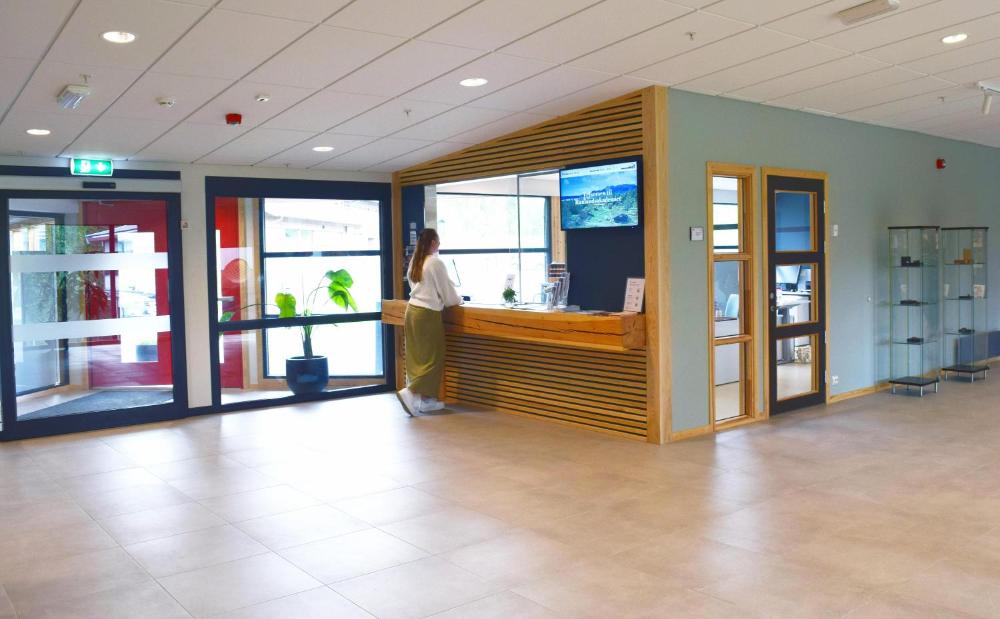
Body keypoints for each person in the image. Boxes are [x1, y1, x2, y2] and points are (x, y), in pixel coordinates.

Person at [397, 228, 461, 416]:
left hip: (412, 311)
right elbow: (448, 294)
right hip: (427, 314)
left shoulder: (416, 261)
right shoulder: (435, 263)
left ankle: (426, 401)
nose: (439, 245)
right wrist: (458, 300)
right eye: (438, 242)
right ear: (433, 242)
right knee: (434, 357)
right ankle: (410, 393)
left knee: (417, 356)